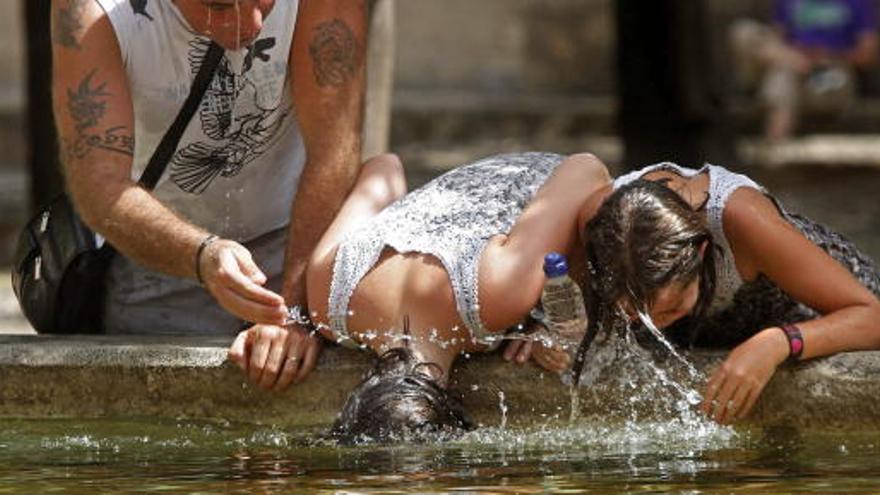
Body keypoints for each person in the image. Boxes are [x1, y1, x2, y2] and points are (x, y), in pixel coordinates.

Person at [51, 0, 367, 390]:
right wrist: (203, 255)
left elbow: (333, 153)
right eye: (218, 7)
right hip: (159, 269)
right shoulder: (89, 11)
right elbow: (100, 187)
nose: (248, 26)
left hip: (298, 250)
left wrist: (298, 310)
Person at [229, 151, 611, 441]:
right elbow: (385, 167)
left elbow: (587, 169)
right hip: (485, 197)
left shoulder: (495, 298)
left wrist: (544, 313)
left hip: (548, 182)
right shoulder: (330, 300)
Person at [576, 161, 880, 425]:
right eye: (636, 313)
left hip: (815, 309)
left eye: (669, 309)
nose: (652, 325)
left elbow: (871, 317)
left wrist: (778, 342)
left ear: (700, 252)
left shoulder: (743, 219)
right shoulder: (601, 225)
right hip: (718, 329)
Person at [730, 0, 879, 141]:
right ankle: (776, 149)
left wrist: (829, 55)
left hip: (833, 72)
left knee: (783, 76)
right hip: (790, 69)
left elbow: (868, 55)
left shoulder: (858, 2)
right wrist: (798, 56)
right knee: (745, 32)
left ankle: (773, 149)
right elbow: (775, 41)